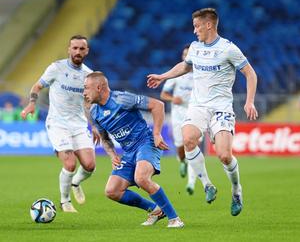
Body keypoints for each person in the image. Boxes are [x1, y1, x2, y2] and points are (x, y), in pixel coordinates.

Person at [147, 8, 258, 216]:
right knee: (188, 139)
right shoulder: (195, 48)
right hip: (198, 106)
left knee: (224, 156)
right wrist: (163, 77)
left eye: (197, 26)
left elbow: (250, 74)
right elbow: (184, 66)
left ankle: (236, 190)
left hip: (221, 108)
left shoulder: (228, 49)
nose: (194, 31)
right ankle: (207, 185)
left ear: (209, 25)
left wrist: (249, 102)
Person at [83, 71, 184, 228]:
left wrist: (157, 134)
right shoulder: (95, 112)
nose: (84, 93)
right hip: (129, 152)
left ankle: (175, 219)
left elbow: (158, 105)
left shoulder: (122, 99)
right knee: (112, 191)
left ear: (99, 87)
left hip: (146, 142)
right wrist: (112, 154)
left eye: (86, 88)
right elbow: (104, 138)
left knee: (141, 178)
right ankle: (156, 210)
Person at [21, 35, 99, 213]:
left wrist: (94, 125)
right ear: (69, 49)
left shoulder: (89, 75)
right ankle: (65, 201)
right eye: (75, 48)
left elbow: (89, 103)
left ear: (87, 51)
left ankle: (76, 182)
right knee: (70, 164)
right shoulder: (56, 68)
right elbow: (37, 87)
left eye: (81, 49)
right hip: (58, 123)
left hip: (78, 125)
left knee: (89, 165)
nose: (78, 51)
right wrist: (32, 103)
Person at [160, 44, 198, 195]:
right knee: (181, 148)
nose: (186, 57)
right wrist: (172, 98)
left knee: (193, 147)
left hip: (194, 114)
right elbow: (163, 94)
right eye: (185, 55)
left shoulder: (201, 75)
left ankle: (191, 183)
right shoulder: (177, 74)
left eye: (189, 55)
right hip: (177, 115)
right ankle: (182, 161)